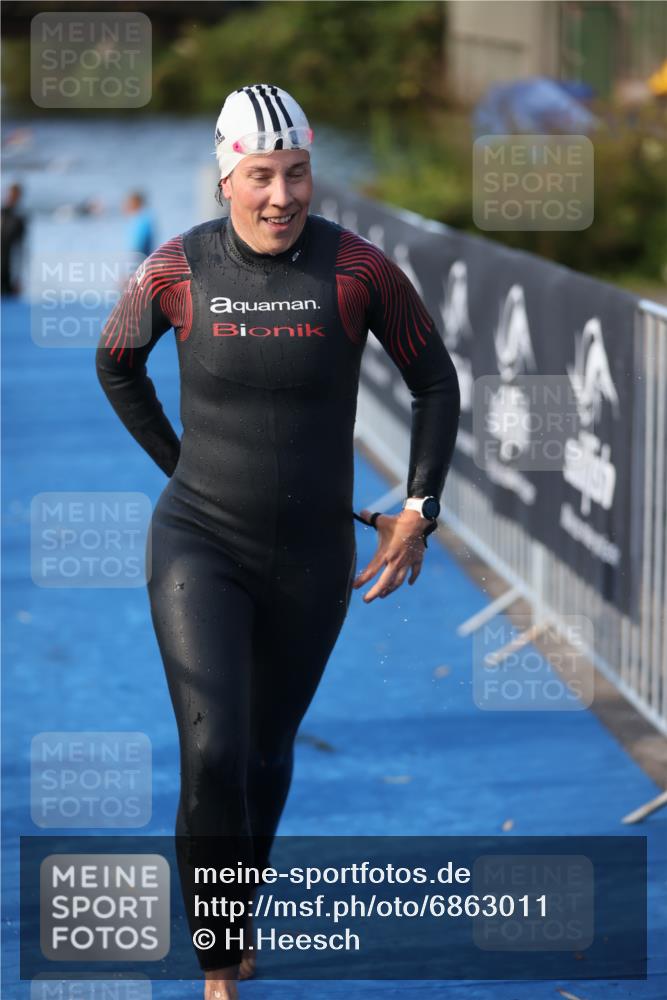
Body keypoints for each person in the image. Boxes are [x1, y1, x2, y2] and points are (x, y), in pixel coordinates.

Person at [95, 83, 460, 999]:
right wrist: (181, 466)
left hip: (308, 555)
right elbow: (116, 362)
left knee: (264, 755)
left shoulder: (359, 271)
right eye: (261, 175)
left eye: (296, 173)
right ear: (227, 176)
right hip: (198, 542)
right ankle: (219, 962)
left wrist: (418, 507)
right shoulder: (174, 271)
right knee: (213, 753)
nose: (282, 195)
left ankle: (239, 904)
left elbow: (435, 384)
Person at [1, 183, 26, 296]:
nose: (11, 198)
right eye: (10, 195)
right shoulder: (2, 215)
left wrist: (18, 277)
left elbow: (20, 250)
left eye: (15, 196)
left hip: (9, 271)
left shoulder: (19, 220)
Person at [123, 190, 154, 257]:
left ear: (135, 203)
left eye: (129, 203)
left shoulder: (142, 221)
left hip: (141, 258)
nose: (126, 206)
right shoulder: (141, 218)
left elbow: (139, 246)